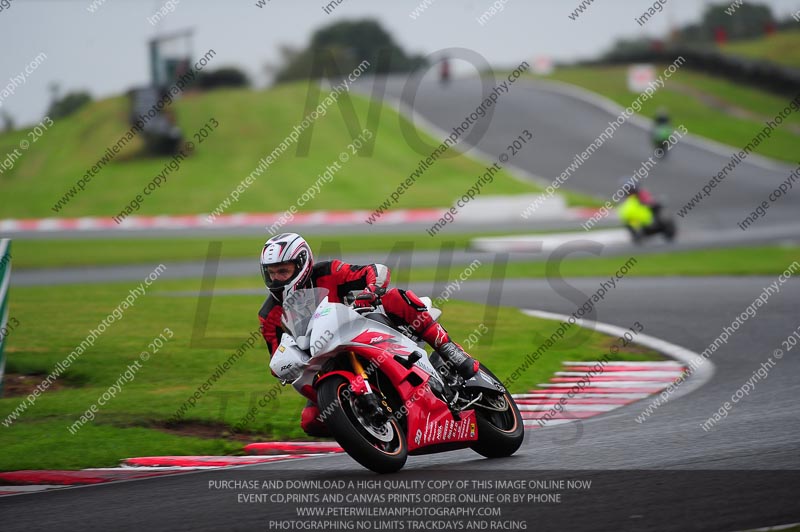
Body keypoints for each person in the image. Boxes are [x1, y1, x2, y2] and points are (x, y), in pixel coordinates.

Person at [257, 232, 480, 436]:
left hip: (362, 328)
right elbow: (277, 354)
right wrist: (285, 366)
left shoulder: (328, 272)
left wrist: (371, 290)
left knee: (394, 297)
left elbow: (376, 271)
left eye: (283, 271)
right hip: (323, 364)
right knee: (311, 421)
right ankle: (364, 427)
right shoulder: (268, 315)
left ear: (301, 265)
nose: (276, 279)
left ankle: (450, 350)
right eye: (272, 273)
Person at [617, 178, 660, 243]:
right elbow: (623, 209)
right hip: (635, 219)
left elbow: (651, 202)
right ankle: (636, 234)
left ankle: (656, 223)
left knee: (657, 208)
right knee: (629, 224)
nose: (629, 190)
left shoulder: (642, 194)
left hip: (647, 217)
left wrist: (649, 204)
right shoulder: (626, 199)